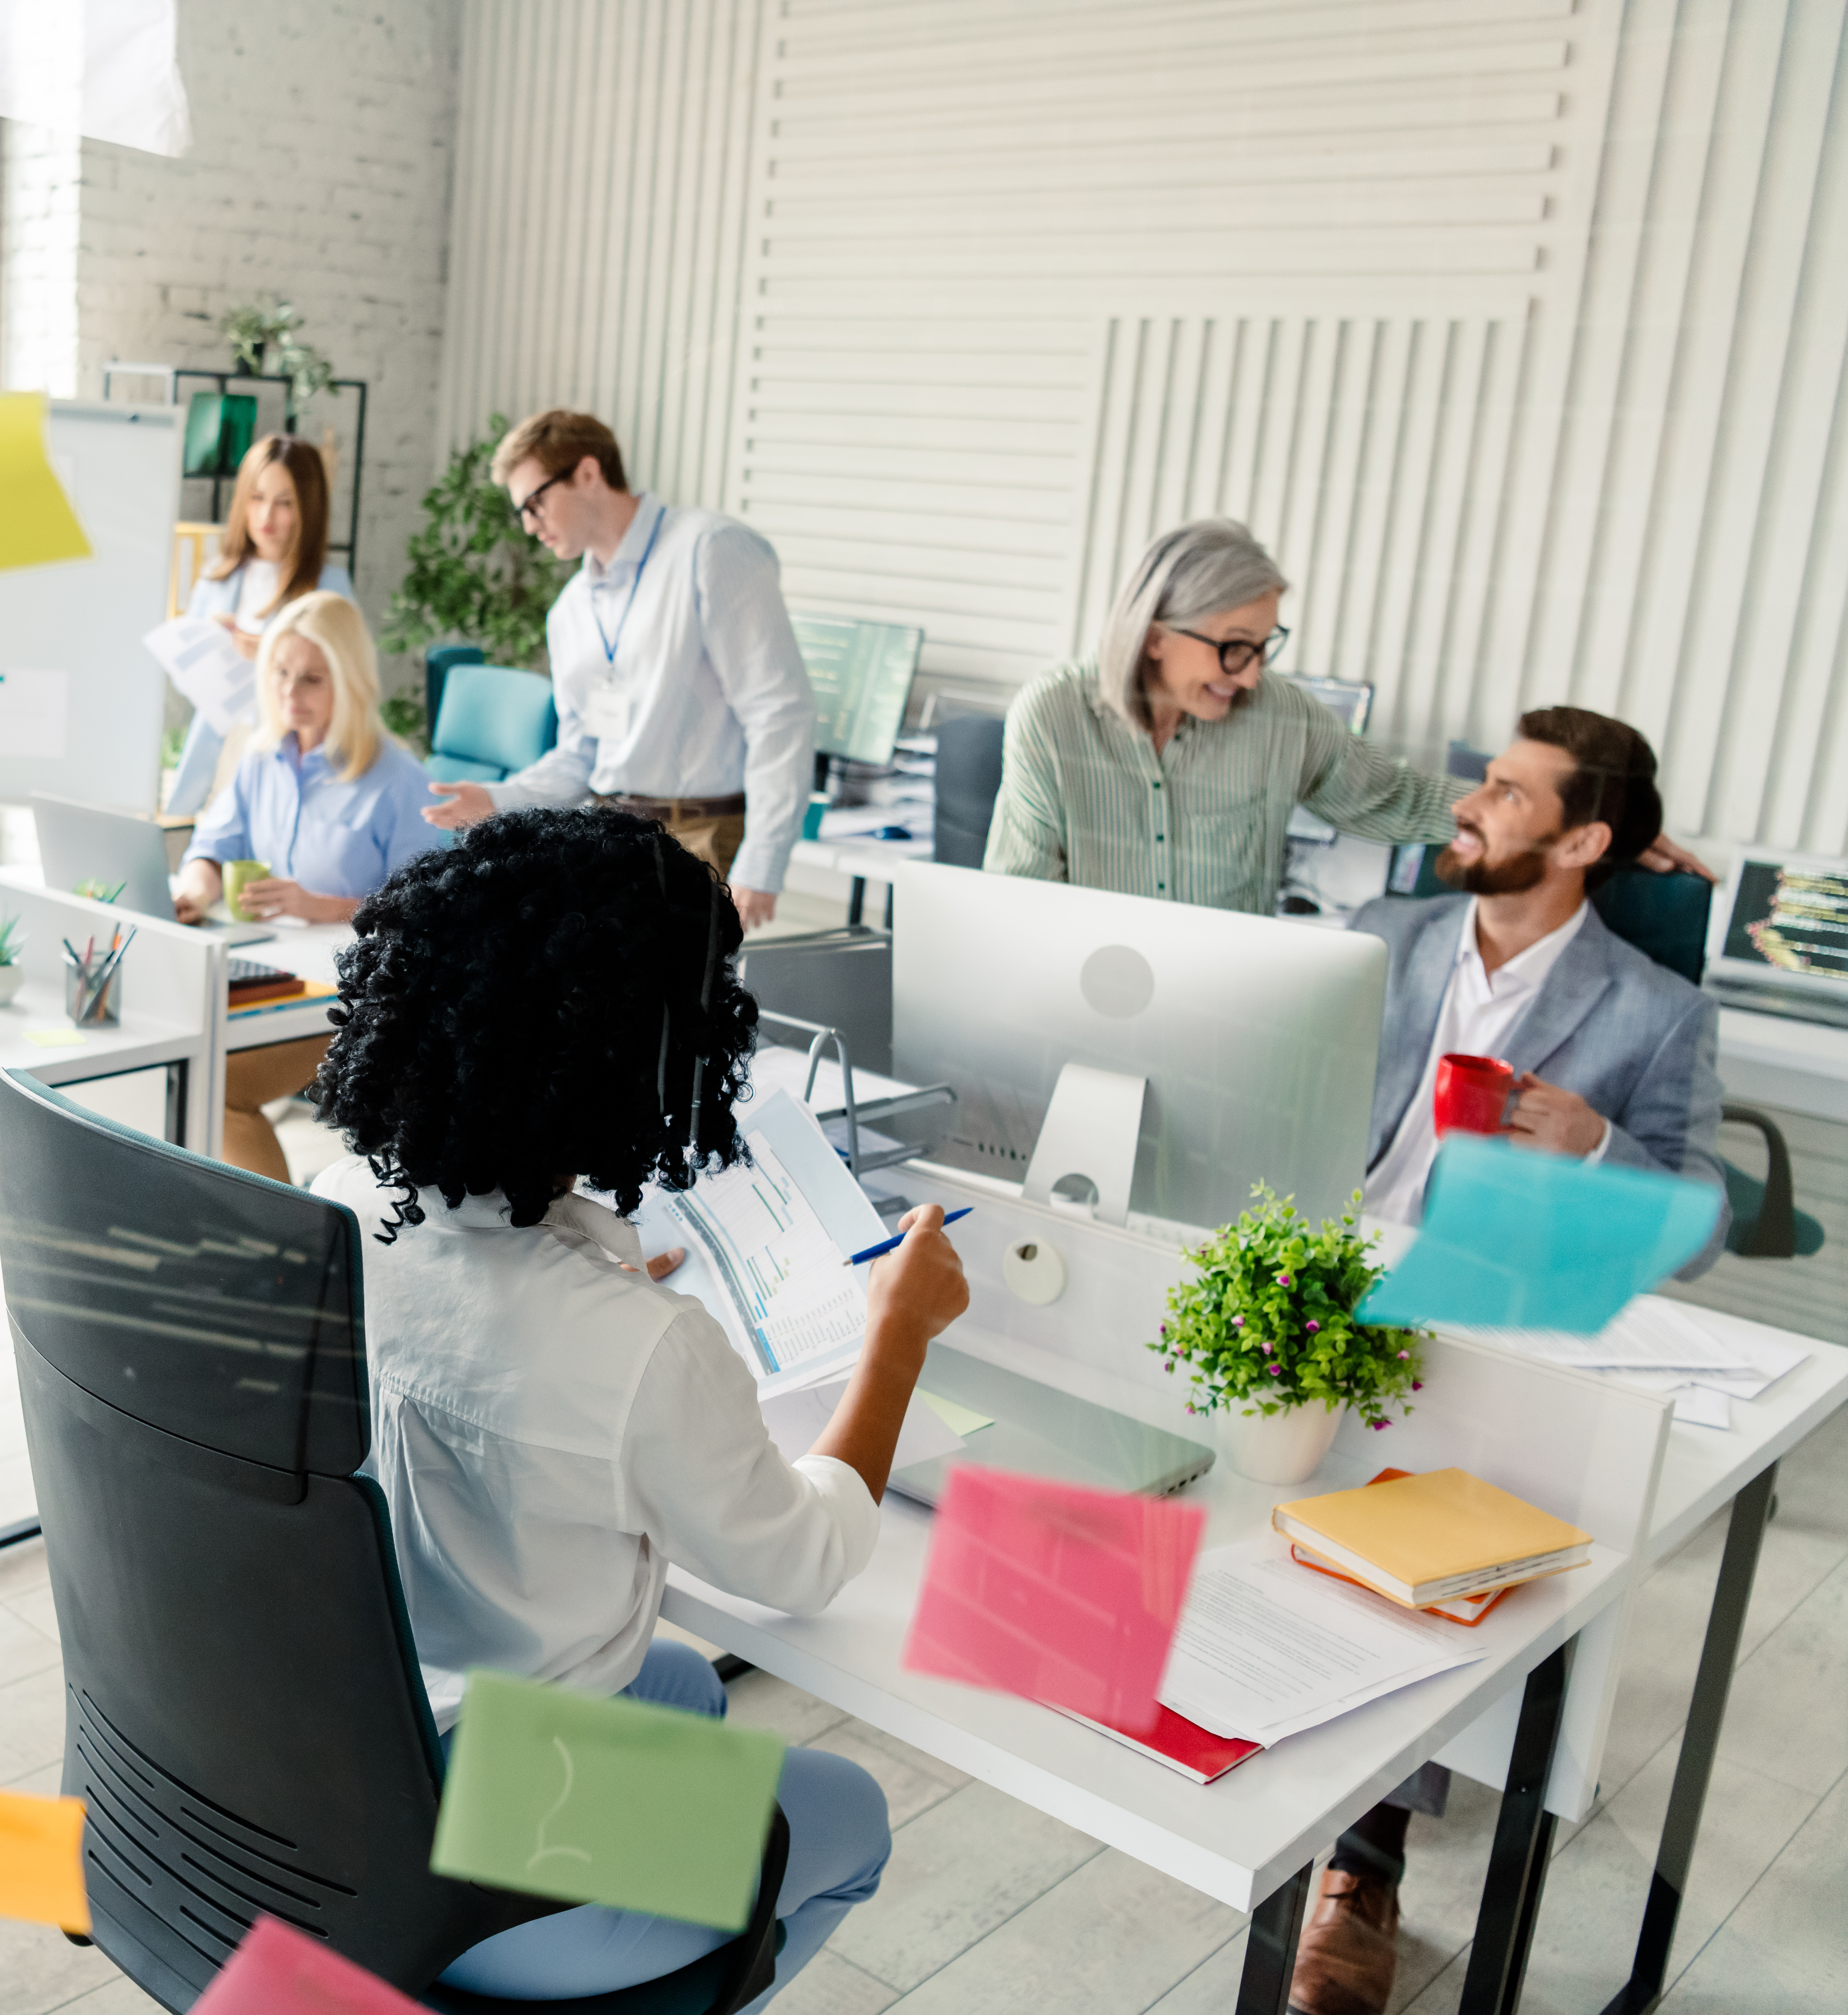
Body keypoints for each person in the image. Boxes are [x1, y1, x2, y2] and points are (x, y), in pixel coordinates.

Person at [309, 806, 971, 2004]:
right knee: (849, 1817)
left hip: (353, 1755)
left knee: (685, 1686)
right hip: (483, 1875)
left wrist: (584, 1254)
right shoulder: (638, 1348)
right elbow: (806, 1558)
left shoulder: (335, 1208)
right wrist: (895, 1339)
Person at [1292, 708, 1726, 2015]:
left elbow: (1701, 1226)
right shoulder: (1384, 939)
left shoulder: (1654, 1013)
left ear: (1584, 838)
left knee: (1404, 1505)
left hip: (1487, 1315)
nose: (1466, 805)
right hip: (1321, 1268)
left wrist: (1595, 1147)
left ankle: (1359, 1869)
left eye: (1504, 791)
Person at [419, 409, 816, 930]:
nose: (528, 525)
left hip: (700, 837)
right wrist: (499, 798)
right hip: (605, 842)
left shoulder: (709, 549)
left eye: (535, 503)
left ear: (588, 474)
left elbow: (779, 712)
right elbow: (582, 753)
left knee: (685, 1009)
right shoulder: (571, 610)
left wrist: (763, 861)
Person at [985, 519, 1477, 913]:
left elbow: (1395, 798)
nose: (1250, 678)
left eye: (1263, 648)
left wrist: (1523, 810)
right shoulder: (1052, 717)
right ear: (1155, 637)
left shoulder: (1279, 715)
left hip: (1226, 1008)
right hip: (1087, 999)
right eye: (1235, 648)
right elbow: (1020, 903)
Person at [170, 592, 440, 1181]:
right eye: (282, 674)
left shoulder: (398, 779)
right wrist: (194, 890)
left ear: (351, 681)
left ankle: (287, 1256)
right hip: (280, 977)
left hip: (363, 998)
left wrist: (328, 908)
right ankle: (206, 1224)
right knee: (173, 1051)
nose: (292, 694)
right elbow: (213, 847)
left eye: (313, 679)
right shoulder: (262, 758)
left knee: (217, 1084)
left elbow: (431, 914)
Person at [163, 433, 356, 816]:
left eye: (285, 503)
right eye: (257, 498)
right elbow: (188, 688)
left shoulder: (329, 588)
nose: (267, 516)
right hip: (218, 756)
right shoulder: (216, 580)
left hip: (288, 758)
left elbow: (349, 683)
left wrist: (267, 655)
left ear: (308, 508)